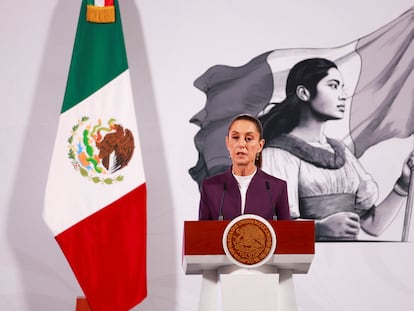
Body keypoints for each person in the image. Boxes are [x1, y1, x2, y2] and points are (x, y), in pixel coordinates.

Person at [259, 57, 414, 241]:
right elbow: (267, 228)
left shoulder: (343, 154)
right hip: (308, 266)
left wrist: (404, 184)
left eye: (342, 87)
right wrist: (319, 229)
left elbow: (373, 225)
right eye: (333, 86)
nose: (342, 95)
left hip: (347, 264)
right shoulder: (276, 155)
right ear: (304, 93)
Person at [198, 114, 291, 221]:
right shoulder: (210, 187)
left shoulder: (277, 188)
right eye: (235, 137)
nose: (241, 144)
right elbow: (202, 234)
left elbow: (286, 234)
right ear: (228, 143)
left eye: (248, 138)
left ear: (260, 145)